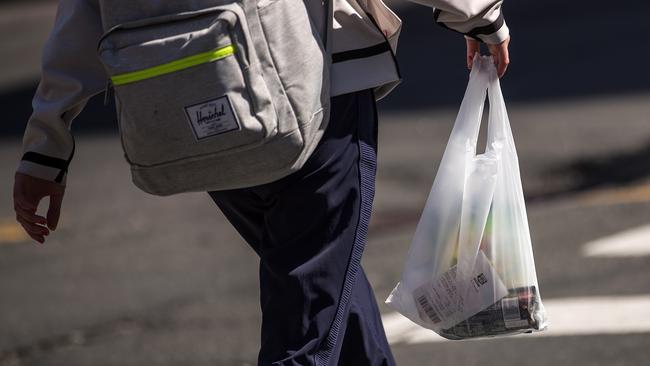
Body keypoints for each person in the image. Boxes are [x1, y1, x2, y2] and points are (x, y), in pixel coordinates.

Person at [13, 0, 510, 364]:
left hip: (199, 112)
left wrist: (45, 146)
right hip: (315, 99)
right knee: (307, 324)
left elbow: (81, 17)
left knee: (324, 287)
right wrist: (478, 15)